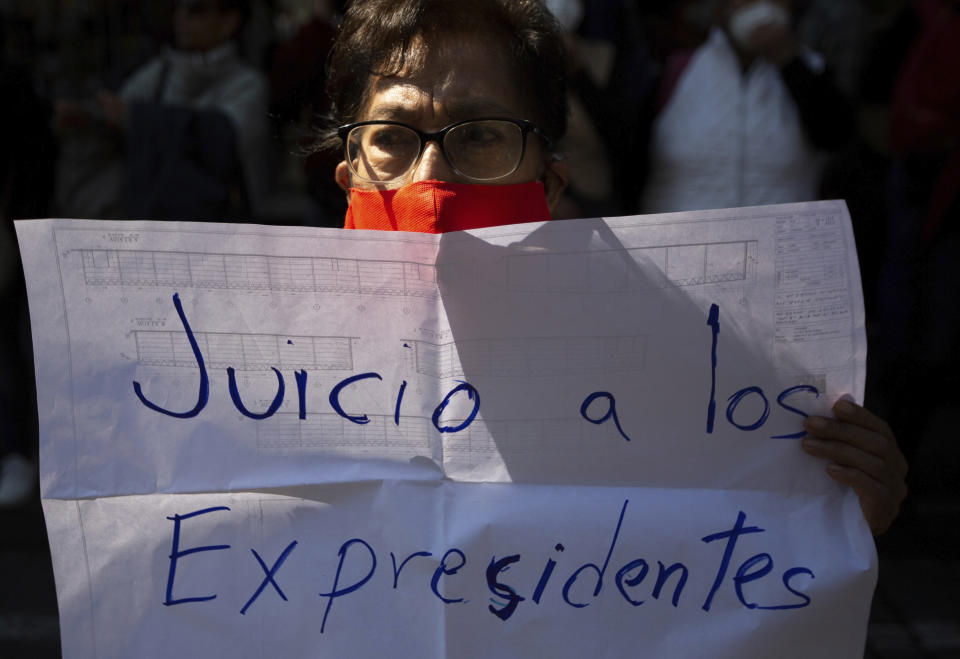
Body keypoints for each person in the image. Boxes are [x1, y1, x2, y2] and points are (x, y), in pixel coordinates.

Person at [319, 0, 907, 535]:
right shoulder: (261, 376)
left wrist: (837, 514)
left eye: (479, 136)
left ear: (549, 184)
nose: (433, 180)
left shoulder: (700, 371)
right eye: (392, 137)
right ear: (348, 175)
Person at [55, 0, 270, 222]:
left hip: (217, 229)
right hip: (153, 229)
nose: (182, 18)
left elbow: (225, 139)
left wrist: (137, 117)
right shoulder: (159, 74)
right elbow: (117, 111)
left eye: (196, 11)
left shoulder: (248, 85)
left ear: (228, 21)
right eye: (178, 8)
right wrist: (89, 116)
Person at [640, 0, 854, 214]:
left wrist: (788, 60)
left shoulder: (814, 71)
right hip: (682, 242)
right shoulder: (677, 71)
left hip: (783, 241)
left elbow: (836, 138)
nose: (757, 5)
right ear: (720, 7)